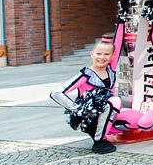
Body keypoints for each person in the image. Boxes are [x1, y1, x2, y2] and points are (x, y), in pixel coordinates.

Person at [50, 24, 139, 154]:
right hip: (90, 118)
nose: (102, 57)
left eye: (106, 54)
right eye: (98, 53)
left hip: (107, 113)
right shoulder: (85, 75)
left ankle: (106, 132)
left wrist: (121, 22)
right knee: (115, 101)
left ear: (112, 57)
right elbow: (56, 93)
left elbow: (118, 45)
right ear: (92, 54)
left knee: (136, 121)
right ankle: (99, 140)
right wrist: (77, 109)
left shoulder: (110, 69)